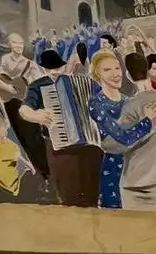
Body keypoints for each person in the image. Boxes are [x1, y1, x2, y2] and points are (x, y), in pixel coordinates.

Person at [21, 50, 103, 207]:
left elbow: (103, 97)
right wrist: (35, 115)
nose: (54, 72)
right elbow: (24, 110)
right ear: (44, 69)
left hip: (90, 146)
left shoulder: (82, 81)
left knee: (91, 194)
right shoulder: (39, 85)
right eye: (51, 69)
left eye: (57, 68)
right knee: (69, 196)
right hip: (59, 147)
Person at [86, 50, 156, 209]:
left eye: (117, 68)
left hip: (137, 166)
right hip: (114, 167)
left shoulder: (129, 100)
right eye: (107, 70)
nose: (115, 74)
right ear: (97, 74)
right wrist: (146, 121)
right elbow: (123, 138)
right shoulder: (96, 103)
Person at [118, 51, 156, 211]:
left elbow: (122, 142)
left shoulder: (130, 105)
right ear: (148, 72)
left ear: (128, 76)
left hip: (137, 182)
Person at [0, 33, 47, 181]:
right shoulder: (5, 60)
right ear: (10, 45)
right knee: (16, 140)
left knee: (32, 139)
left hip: (23, 105)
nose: (19, 46)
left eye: (21, 43)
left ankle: (44, 174)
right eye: (15, 43)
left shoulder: (29, 64)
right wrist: (8, 87)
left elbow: (38, 83)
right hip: (7, 105)